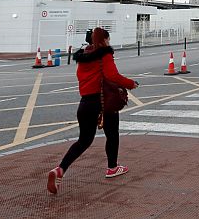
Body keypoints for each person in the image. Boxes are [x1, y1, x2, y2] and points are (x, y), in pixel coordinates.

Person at [47, 27, 139, 195]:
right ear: (103, 40)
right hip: (104, 102)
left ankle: (60, 169)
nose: (109, 42)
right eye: (108, 39)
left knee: (83, 140)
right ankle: (112, 167)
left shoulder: (82, 56)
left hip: (85, 103)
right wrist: (130, 83)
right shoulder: (104, 54)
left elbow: (82, 78)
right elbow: (113, 75)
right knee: (112, 134)